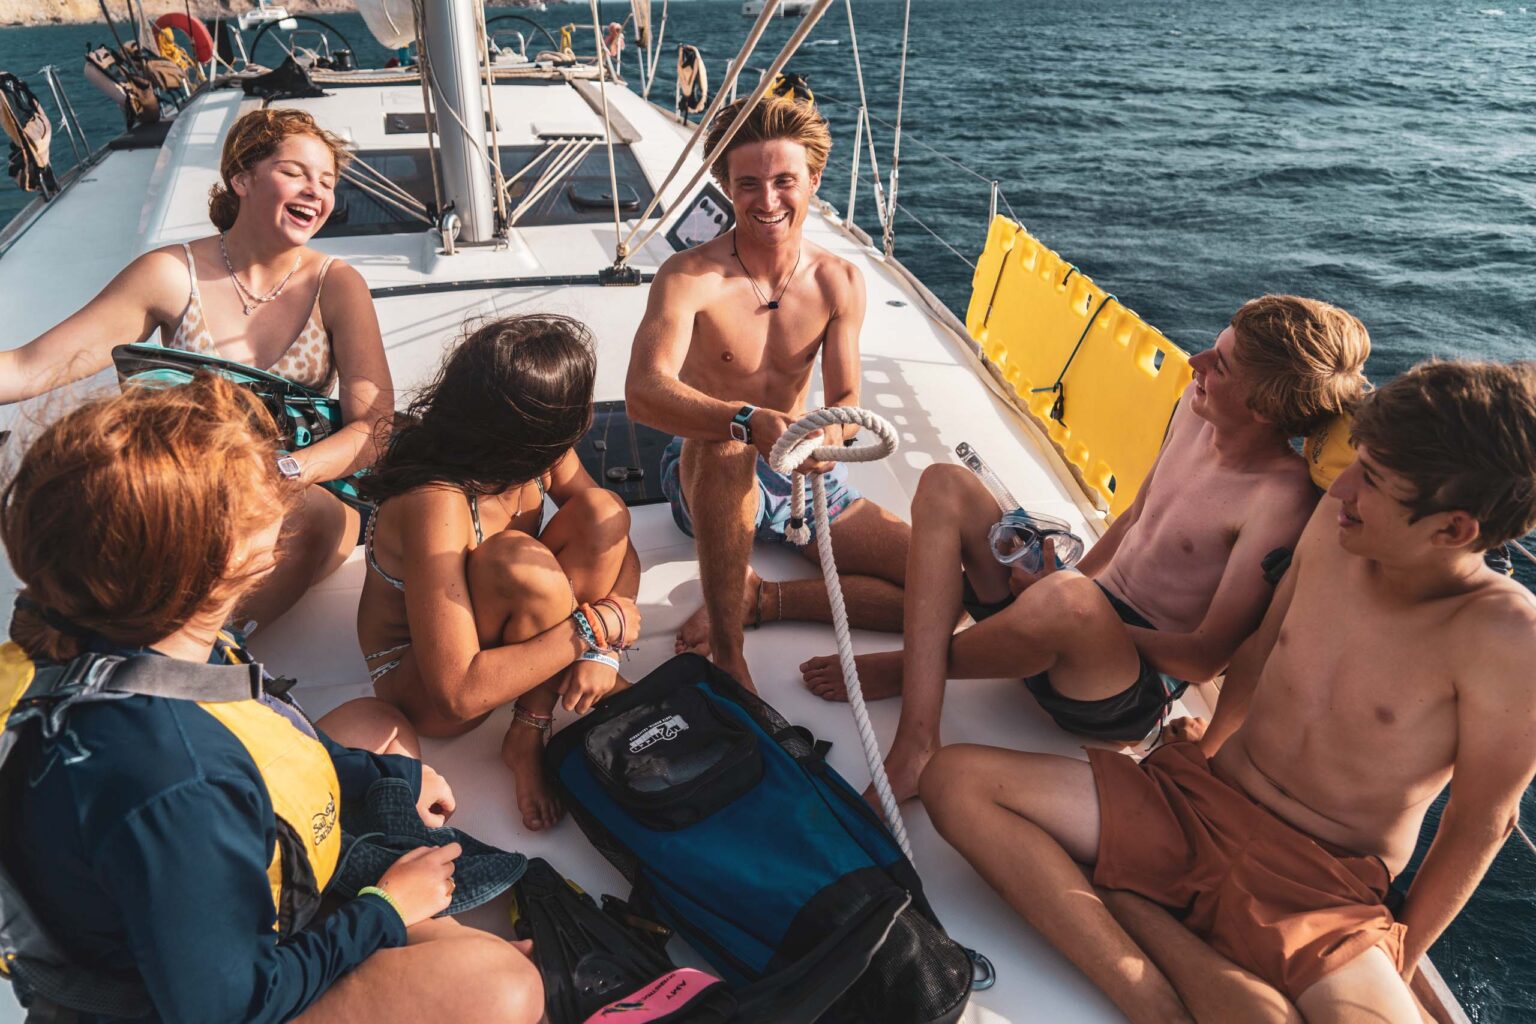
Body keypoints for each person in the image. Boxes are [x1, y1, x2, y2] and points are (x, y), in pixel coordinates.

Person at [921, 360, 1536, 1024]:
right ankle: (1155, 1002)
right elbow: (1259, 652)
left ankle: (1140, 907)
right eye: (1355, 461)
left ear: (1454, 530)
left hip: (1320, 890)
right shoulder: (1336, 522)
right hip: (1199, 799)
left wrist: (1405, 956)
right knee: (956, 781)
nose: (1343, 486)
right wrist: (1206, 746)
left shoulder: (1509, 642)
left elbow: (1482, 823)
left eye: (1374, 481)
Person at [0, 374, 540, 1023]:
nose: (283, 496)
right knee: (503, 988)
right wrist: (386, 908)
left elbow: (256, 735)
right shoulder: (172, 777)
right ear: (220, 561)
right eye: (261, 501)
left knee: (376, 725)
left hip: (180, 888)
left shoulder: (109, 626)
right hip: (204, 998)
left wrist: (380, 773)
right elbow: (230, 1006)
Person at [802, 295, 1372, 802]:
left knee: (1069, 603)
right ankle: (924, 726)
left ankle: (912, 692)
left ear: (1264, 410)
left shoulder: (1280, 501)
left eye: (1218, 365)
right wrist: (1062, 576)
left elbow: (1204, 659)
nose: (1195, 361)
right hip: (1068, 610)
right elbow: (1133, 520)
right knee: (946, 484)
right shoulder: (1195, 416)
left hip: (1118, 691)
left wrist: (1068, 604)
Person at [0, 107, 393, 634]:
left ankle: (212, 650)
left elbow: (374, 429)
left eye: (327, 182)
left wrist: (289, 472)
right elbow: (29, 369)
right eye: (295, 172)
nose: (316, 193)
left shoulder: (338, 285)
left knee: (292, 519)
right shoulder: (170, 274)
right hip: (195, 490)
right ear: (242, 178)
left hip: (306, 490)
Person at [626, 94, 910, 692]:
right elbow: (644, 392)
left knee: (941, 590)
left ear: (814, 178)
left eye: (785, 180)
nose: (768, 200)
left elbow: (846, 399)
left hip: (802, 479)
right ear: (726, 185)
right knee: (726, 449)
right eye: (748, 183)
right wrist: (745, 420)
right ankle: (728, 658)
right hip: (707, 468)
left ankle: (763, 600)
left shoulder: (840, 281)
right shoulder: (689, 276)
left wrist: (830, 438)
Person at [356, 314, 640, 832]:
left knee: (603, 509)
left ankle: (527, 730)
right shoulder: (436, 502)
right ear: (521, 431)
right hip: (422, 681)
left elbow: (615, 538)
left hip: (506, 630)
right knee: (517, 563)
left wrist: (603, 648)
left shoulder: (534, 454)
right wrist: (593, 630)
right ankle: (534, 725)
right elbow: (456, 691)